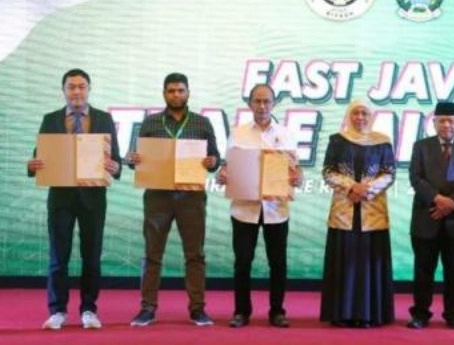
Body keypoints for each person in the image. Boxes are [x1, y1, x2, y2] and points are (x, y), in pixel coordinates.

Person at [27, 68, 121, 330]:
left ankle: (89, 310)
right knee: (58, 257)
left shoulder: (104, 119)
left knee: (91, 256)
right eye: (71, 87)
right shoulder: (50, 119)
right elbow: (38, 156)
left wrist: (116, 167)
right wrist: (32, 165)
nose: (77, 91)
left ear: (89, 89)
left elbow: (116, 158)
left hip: (93, 198)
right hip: (61, 198)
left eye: (81, 86)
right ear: (63, 90)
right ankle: (57, 311)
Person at [126, 73, 220, 327]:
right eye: (171, 91)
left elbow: (215, 159)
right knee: (152, 254)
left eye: (180, 90)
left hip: (192, 197)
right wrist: (133, 160)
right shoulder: (151, 123)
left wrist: (212, 161)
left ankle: (197, 309)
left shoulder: (202, 123)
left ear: (188, 93)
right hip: (157, 197)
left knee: (195, 255)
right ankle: (147, 309)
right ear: (164, 94)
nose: (176, 95)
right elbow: (136, 160)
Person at [216, 84, 303, 328]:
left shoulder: (286, 134)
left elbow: (296, 169)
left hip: (276, 209)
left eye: (267, 101)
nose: (262, 106)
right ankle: (241, 312)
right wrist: (222, 175)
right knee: (243, 262)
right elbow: (227, 167)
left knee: (278, 263)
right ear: (249, 104)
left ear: (274, 104)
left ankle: (277, 311)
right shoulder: (238, 134)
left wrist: (298, 177)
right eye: (257, 101)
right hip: (244, 209)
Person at [320, 100, 396, 327]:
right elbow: (328, 171)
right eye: (355, 113)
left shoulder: (382, 141)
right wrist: (351, 187)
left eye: (364, 113)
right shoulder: (337, 140)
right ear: (348, 115)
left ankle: (369, 314)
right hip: (344, 210)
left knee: (367, 263)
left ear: (371, 116)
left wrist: (366, 189)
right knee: (344, 263)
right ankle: (341, 314)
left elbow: (389, 173)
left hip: (372, 212)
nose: (360, 117)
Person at [407, 101, 454, 330]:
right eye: (442, 120)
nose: (446, 125)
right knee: (423, 271)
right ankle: (420, 314)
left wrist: (451, 203)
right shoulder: (421, 146)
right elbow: (415, 177)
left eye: (451, 121)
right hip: (426, 217)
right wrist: (437, 199)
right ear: (434, 123)